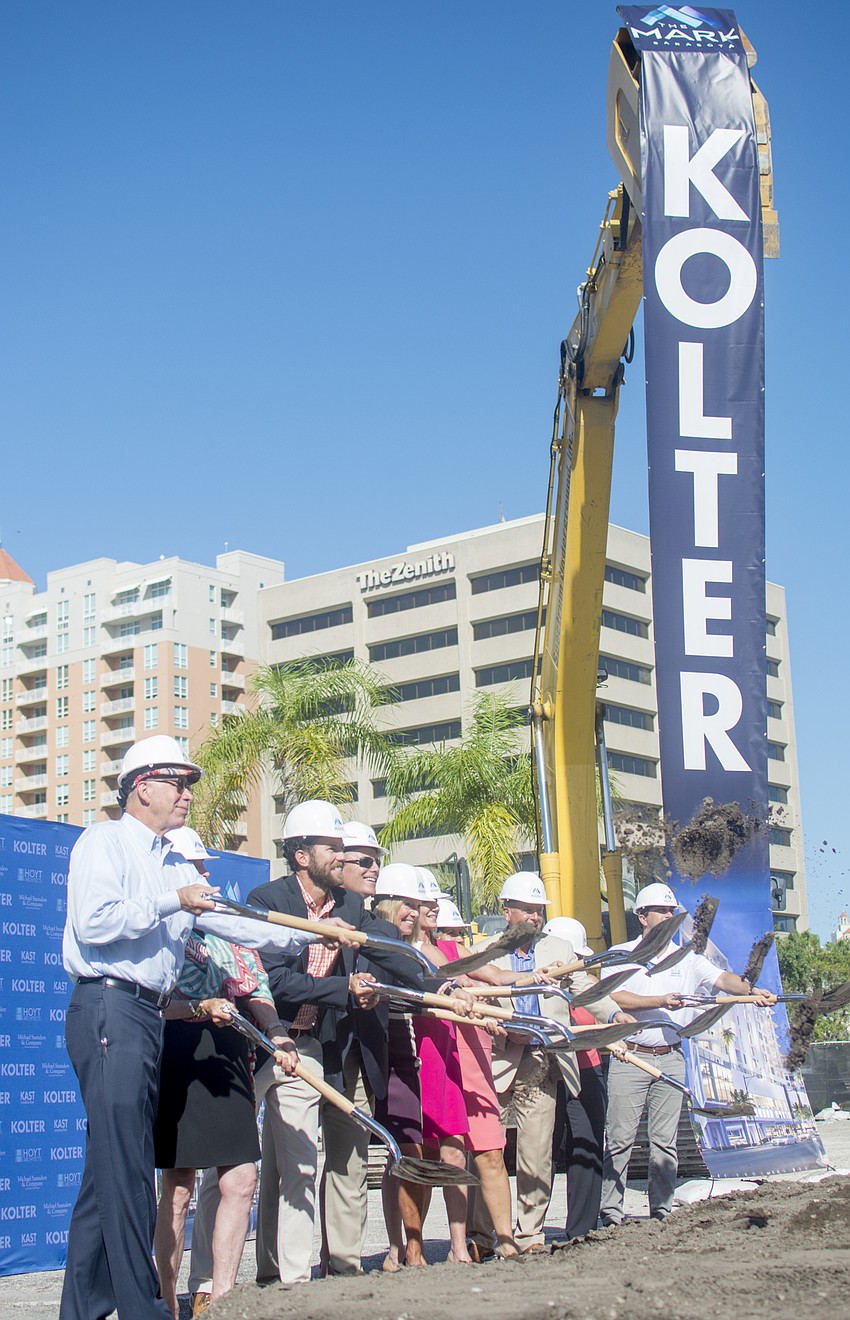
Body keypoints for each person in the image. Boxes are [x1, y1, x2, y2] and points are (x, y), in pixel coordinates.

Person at [59, 736, 305, 1320]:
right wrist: (174, 900)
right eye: (178, 782)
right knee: (126, 1174)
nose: (188, 794)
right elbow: (95, 923)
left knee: (104, 1176)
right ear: (142, 786)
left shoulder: (171, 861)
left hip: (142, 1015)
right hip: (108, 1007)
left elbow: (233, 923)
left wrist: (307, 934)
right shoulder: (105, 841)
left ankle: (80, 1313)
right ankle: (143, 1311)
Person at [248, 802, 416, 1285]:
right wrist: (344, 990)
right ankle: (278, 1271)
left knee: (340, 1160)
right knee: (287, 1164)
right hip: (276, 1042)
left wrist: (440, 983)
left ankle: (341, 1268)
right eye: (335, 849)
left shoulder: (346, 906)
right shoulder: (268, 901)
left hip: (327, 1049)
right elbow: (272, 982)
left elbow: (383, 943)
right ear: (302, 855)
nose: (345, 858)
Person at [599, 882, 777, 1226]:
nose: (669, 917)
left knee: (664, 1143)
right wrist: (659, 1000)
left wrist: (752, 991)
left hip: (671, 1056)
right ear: (643, 917)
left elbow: (724, 980)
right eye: (662, 911)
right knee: (619, 1140)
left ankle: (661, 1212)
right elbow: (615, 997)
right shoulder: (621, 955)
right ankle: (611, 1215)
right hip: (630, 1057)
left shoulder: (689, 959)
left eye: (672, 912)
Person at [467, 873, 626, 1257]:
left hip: (543, 1062)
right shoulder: (482, 952)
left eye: (539, 911)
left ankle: (529, 1234)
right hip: (497, 1061)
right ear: (507, 911)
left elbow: (584, 989)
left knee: (536, 1155)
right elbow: (467, 996)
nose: (535, 917)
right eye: (528, 910)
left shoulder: (558, 949)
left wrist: (615, 1013)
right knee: (486, 1153)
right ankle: (483, 1235)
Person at [153, 928, 296, 1318]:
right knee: (179, 1186)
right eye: (196, 867)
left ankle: (223, 1302)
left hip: (230, 1049)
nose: (203, 876)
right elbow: (148, 1000)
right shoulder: (164, 925)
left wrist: (277, 1033)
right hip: (179, 1047)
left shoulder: (228, 924)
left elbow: (256, 986)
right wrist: (199, 1007)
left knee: (241, 1179)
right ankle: (166, 1304)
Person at [544, 916, 608, 1240]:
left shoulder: (589, 986)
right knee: (544, 1149)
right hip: (551, 1071)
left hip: (587, 1071)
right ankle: (531, 1229)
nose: (579, 963)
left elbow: (606, 1010)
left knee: (587, 1146)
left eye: (581, 959)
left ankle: (582, 1229)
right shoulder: (540, 982)